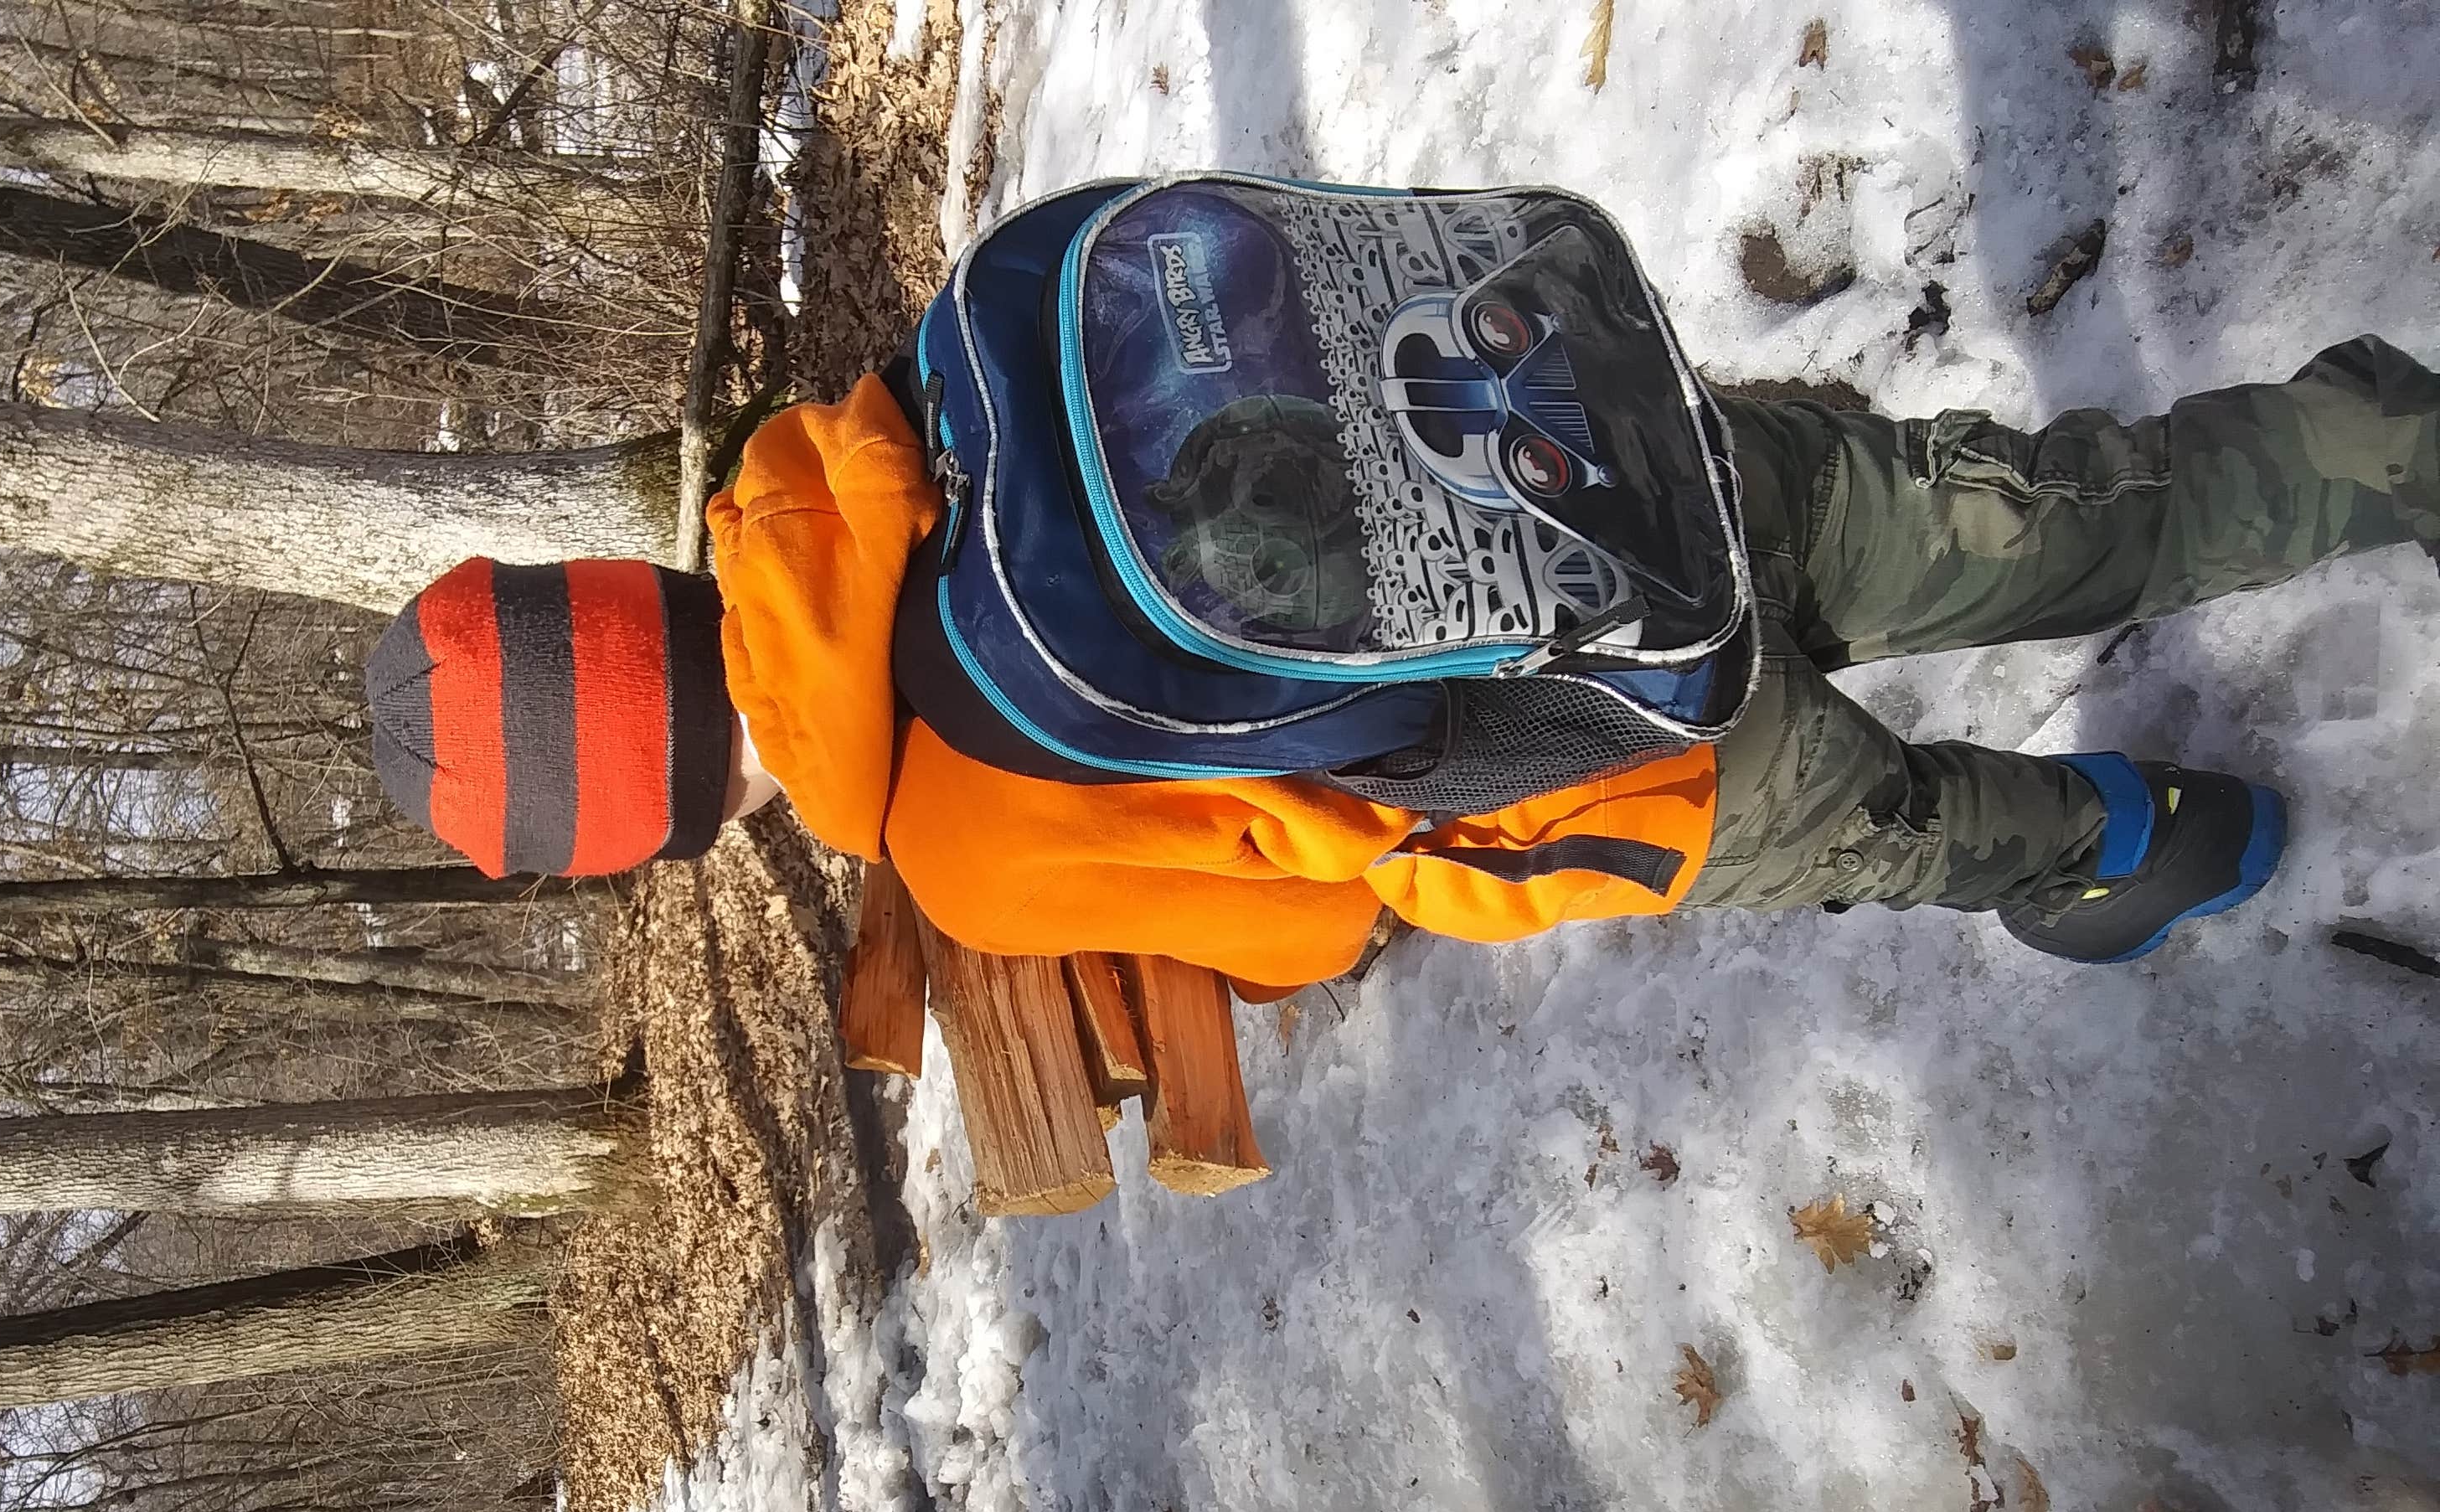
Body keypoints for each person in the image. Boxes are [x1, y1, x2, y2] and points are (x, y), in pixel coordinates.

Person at [360, 321, 2437, 990]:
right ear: (624, 594)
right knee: (2069, 508)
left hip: (1621, 758)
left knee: (1913, 829)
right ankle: (2374, 445)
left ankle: (2140, 834)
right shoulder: (920, 387)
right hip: (1616, 441)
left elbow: (1307, 923)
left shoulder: (956, 841)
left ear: (644, 832)